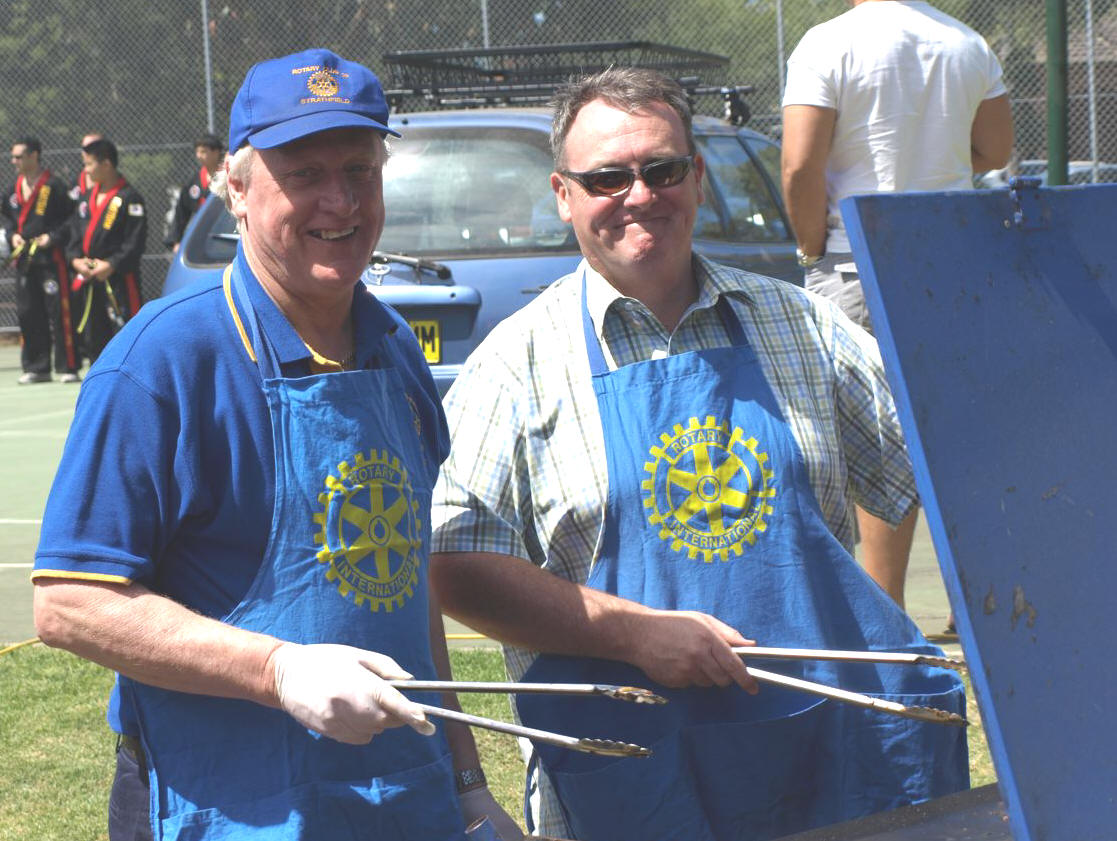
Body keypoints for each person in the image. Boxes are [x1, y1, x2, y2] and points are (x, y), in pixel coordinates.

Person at [430, 67, 967, 841]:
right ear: (562, 193)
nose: (639, 194)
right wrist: (633, 634)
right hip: (635, 781)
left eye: (662, 169)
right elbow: (454, 564)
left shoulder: (801, 326)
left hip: (825, 766)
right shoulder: (513, 367)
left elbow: (938, 470)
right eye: (607, 177)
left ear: (698, 176)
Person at [33, 48, 520, 841]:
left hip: (402, 797)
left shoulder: (393, 347)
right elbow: (69, 601)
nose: (340, 200)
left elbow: (406, 582)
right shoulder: (160, 362)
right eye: (304, 173)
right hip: (226, 803)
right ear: (236, 184)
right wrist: (277, 669)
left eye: (360, 170)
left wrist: (467, 786)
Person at [780, 0, 1013, 613]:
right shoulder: (968, 43)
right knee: (950, 439)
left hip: (853, 263)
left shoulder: (827, 43)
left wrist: (811, 249)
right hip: (950, 265)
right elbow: (995, 149)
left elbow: (801, 165)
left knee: (868, 443)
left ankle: (884, 617)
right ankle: (987, 610)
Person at [64, 138, 147, 363]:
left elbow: (135, 242)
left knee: (127, 335)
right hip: (90, 278)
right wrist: (76, 261)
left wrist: (111, 264)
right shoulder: (85, 199)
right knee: (94, 338)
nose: (86, 170)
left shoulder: (129, 198)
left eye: (89, 164)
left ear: (107, 164)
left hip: (119, 280)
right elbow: (73, 236)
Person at [3, 136, 78, 383]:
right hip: (25, 262)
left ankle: (67, 366)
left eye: (19, 156)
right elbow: (7, 220)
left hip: (50, 260)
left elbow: (71, 220)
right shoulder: (12, 191)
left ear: (34, 156)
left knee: (58, 311)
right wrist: (13, 236)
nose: (14, 161)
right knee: (28, 312)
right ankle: (37, 366)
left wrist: (52, 237)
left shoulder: (54, 187)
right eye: (12, 156)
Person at [164, 132, 224, 252]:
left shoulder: (227, 178)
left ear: (216, 152)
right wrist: (176, 240)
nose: (199, 156)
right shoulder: (194, 182)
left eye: (203, 152)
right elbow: (182, 211)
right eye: (197, 152)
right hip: (200, 235)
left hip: (222, 234)